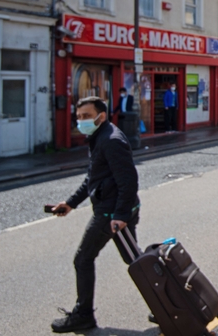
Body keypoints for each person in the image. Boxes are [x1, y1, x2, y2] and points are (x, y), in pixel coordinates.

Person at [49, 97, 141, 333]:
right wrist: (70, 203)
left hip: (111, 213)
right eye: (79, 117)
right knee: (136, 262)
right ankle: (169, 304)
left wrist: (119, 216)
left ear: (101, 116)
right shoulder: (100, 137)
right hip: (117, 210)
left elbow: (129, 181)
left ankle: (83, 316)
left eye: (86, 116)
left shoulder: (110, 140)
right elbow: (94, 178)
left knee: (83, 259)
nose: (81, 121)